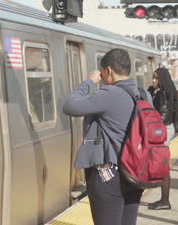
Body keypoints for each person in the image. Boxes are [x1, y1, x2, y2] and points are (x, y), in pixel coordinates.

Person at [63, 48, 152, 225]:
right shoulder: (144, 94)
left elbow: (70, 106)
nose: (102, 77)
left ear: (109, 70)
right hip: (136, 172)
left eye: (102, 73)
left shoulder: (109, 94)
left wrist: (89, 81)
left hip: (110, 175)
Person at [147, 67, 178, 210]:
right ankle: (163, 200)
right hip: (162, 129)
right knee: (161, 164)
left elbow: (162, 117)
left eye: (156, 78)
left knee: (163, 165)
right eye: (153, 77)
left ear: (162, 80)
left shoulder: (164, 94)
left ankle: (165, 201)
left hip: (163, 130)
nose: (153, 81)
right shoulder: (158, 92)